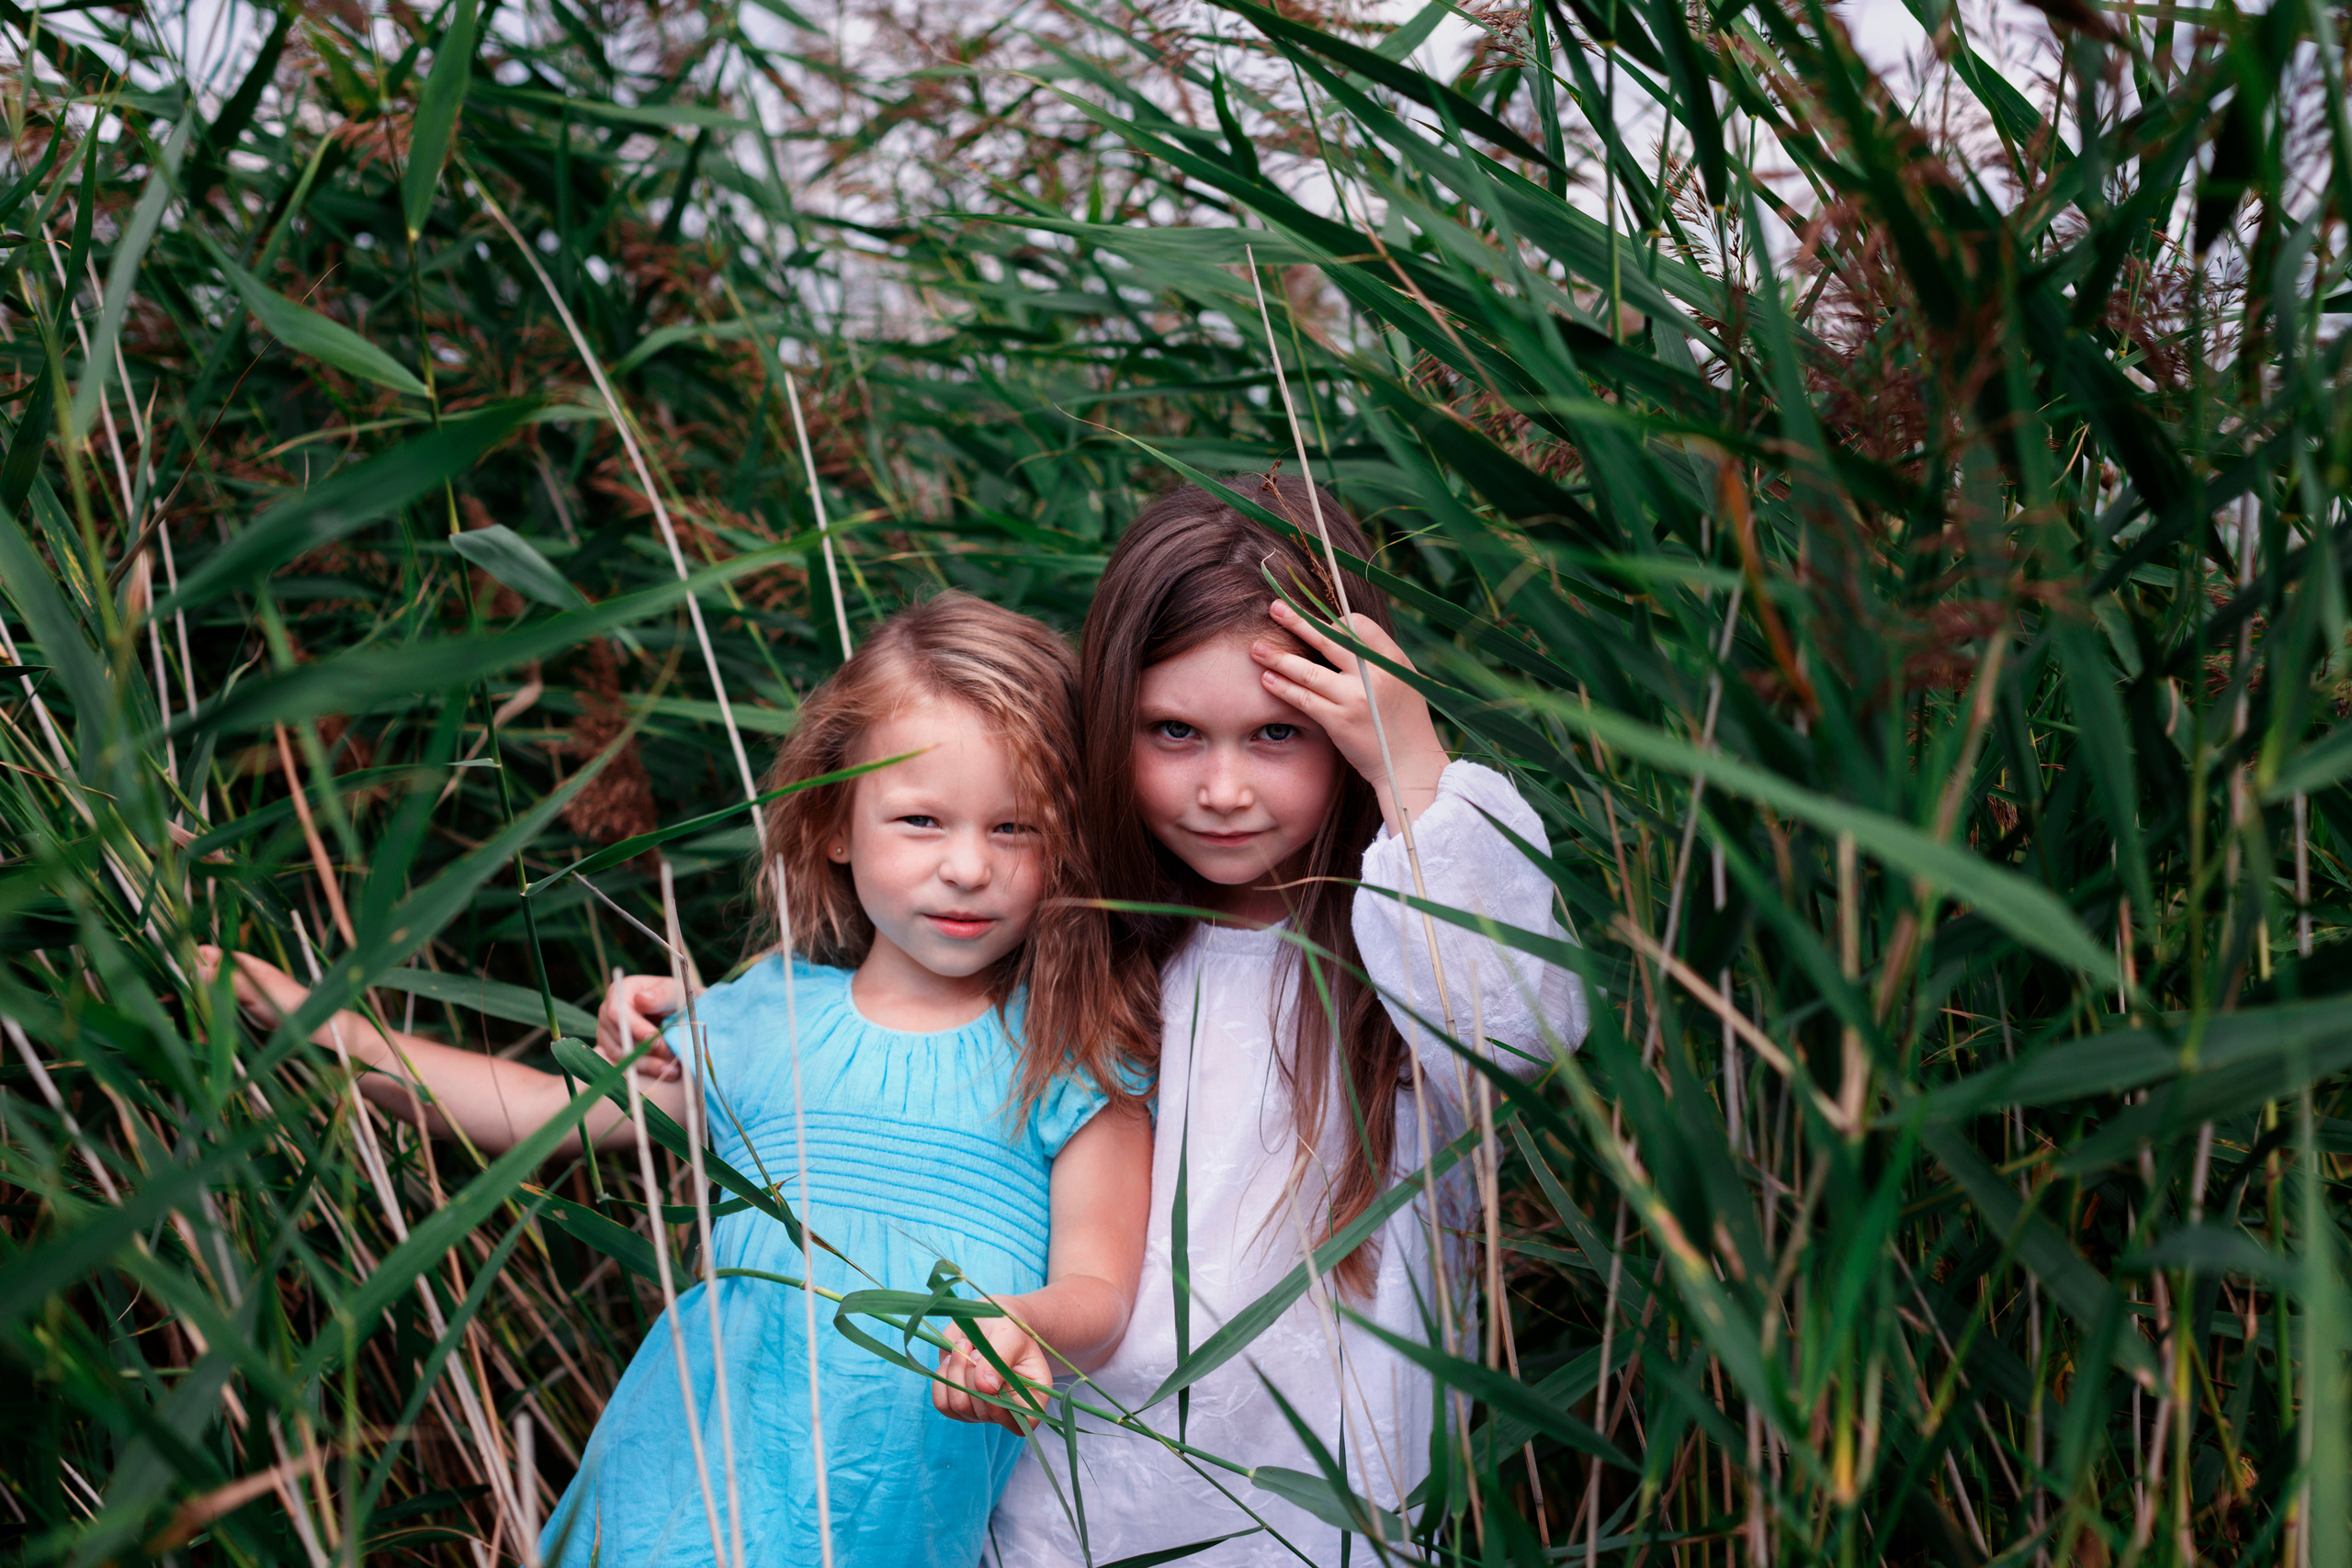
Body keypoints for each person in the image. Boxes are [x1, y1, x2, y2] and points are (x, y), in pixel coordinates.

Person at [207, 592, 1155, 1568]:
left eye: (1015, 829)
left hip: (891, 1521)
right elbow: (534, 1113)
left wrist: (1016, 1325)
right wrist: (316, 1025)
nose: (967, 867)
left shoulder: (1072, 1052)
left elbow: (1099, 1290)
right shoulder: (762, 1018)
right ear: (834, 822)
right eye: (920, 820)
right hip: (681, 1493)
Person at [965, 476, 1589, 1565]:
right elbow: (898, 1008)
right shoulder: (1083, 934)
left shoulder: (1397, 932)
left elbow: (1524, 1031)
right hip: (1083, 1502)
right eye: (1172, 731)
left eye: (1274, 735)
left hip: (1327, 1509)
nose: (1220, 788)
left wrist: (1417, 775)